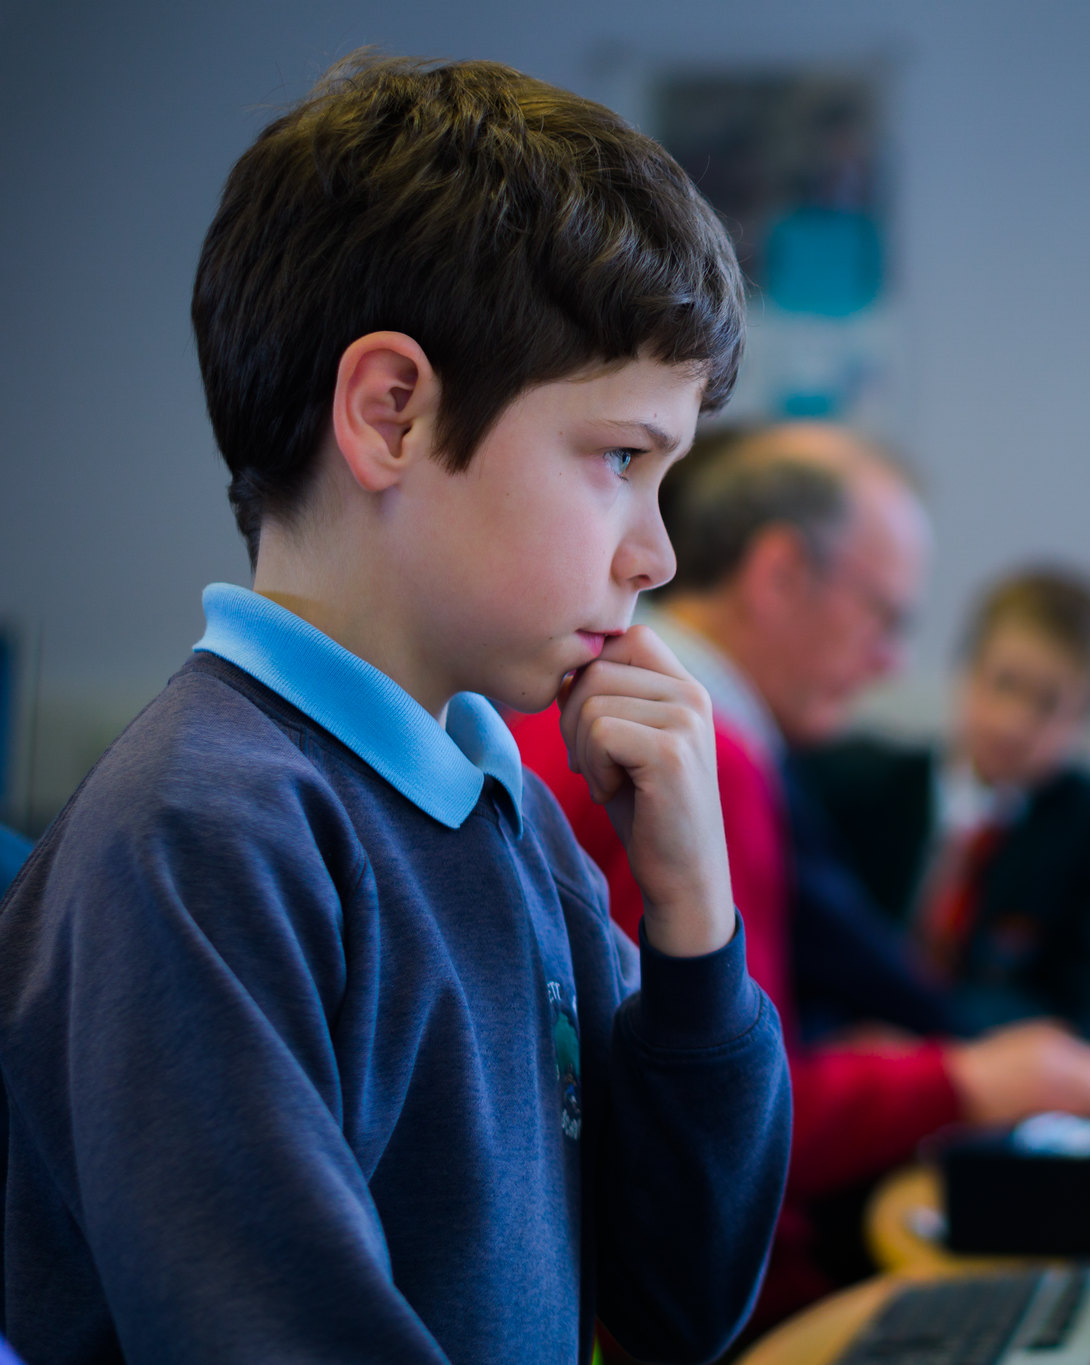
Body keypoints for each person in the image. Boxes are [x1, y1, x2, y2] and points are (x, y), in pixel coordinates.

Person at [0, 56, 790, 1365]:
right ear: (392, 413)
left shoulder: (500, 805)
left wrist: (696, 925)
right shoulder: (203, 839)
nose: (655, 554)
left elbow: (681, 1301)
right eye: (620, 461)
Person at [512, 423, 1090, 1321]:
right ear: (778, 577)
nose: (892, 662)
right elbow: (734, 1112)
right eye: (883, 615)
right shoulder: (693, 758)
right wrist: (971, 1083)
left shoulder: (590, 706)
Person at [793, 568, 1090, 1040]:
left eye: (1048, 704)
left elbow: (1074, 1003)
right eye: (1004, 684)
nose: (1013, 722)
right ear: (965, 672)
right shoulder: (854, 784)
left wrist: (932, 1033)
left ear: (1087, 722)